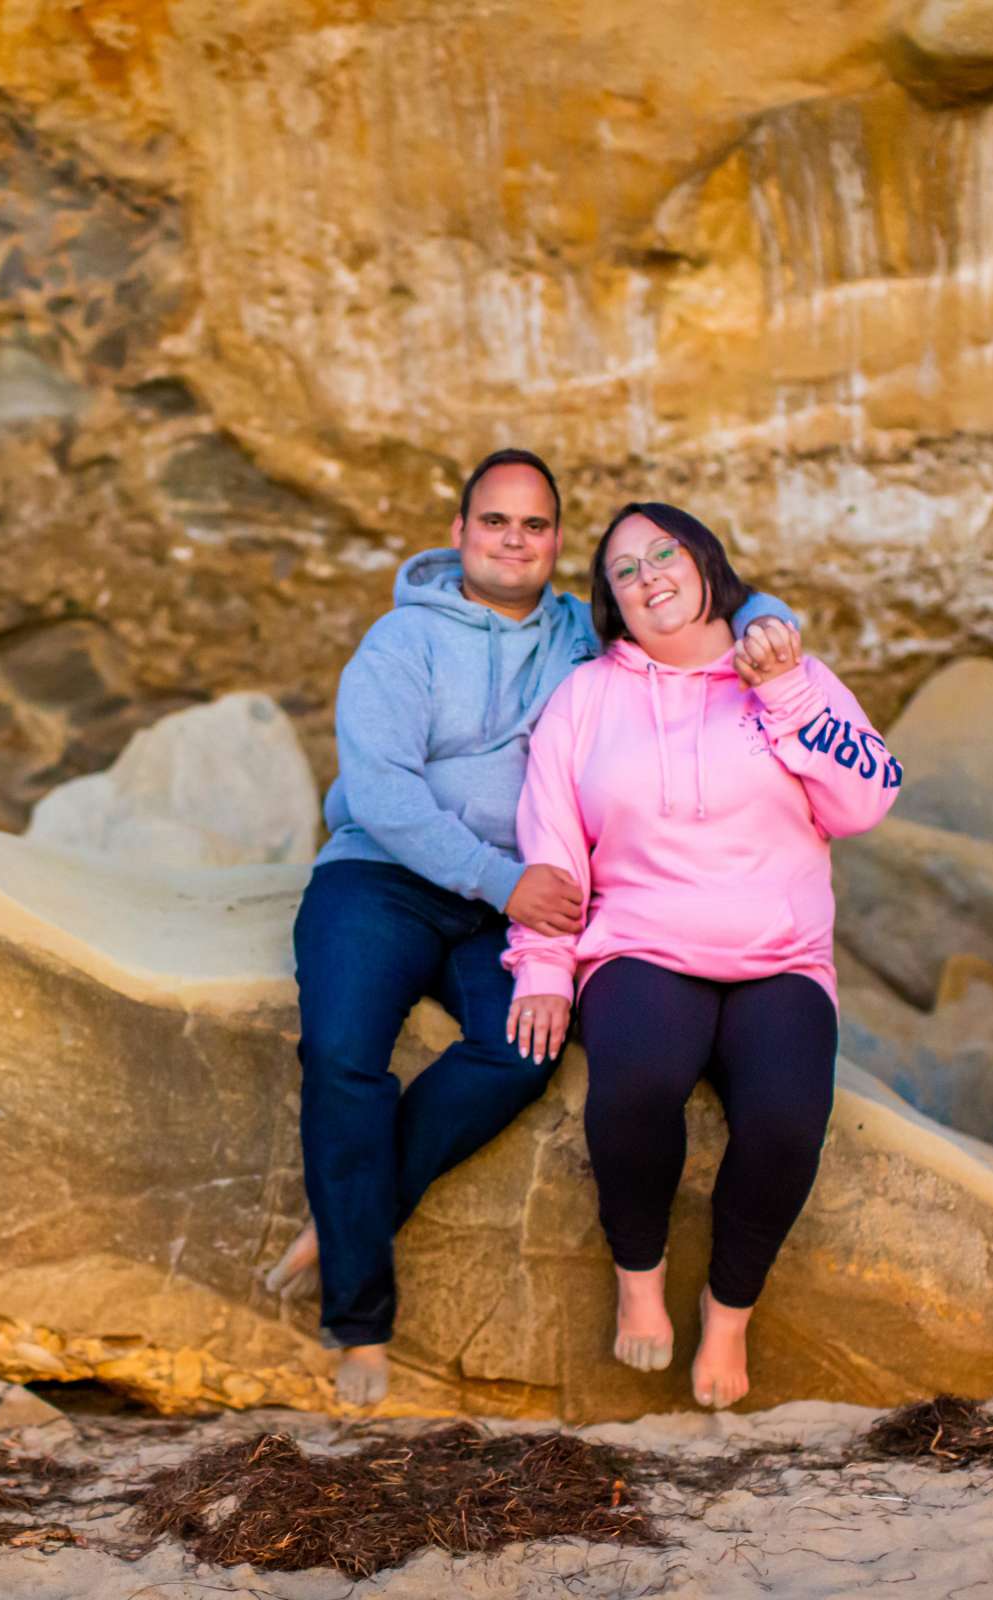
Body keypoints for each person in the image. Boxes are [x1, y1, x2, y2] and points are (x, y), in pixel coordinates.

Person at [271, 453, 802, 1406]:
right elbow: (384, 796)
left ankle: (358, 1207)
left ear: (557, 542)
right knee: (344, 1054)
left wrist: (772, 626)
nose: (515, 540)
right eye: (494, 523)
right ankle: (361, 1324)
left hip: (511, 905)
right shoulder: (399, 644)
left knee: (519, 1051)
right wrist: (502, 880)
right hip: (384, 877)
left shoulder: (577, 633)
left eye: (535, 526)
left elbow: (714, 592)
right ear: (461, 531)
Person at [502, 501, 900, 1409]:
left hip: (783, 955)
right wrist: (543, 968)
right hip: (644, 945)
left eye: (664, 555)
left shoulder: (789, 671)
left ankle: (728, 1315)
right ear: (613, 604)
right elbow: (553, 846)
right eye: (625, 573)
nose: (650, 579)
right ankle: (639, 1279)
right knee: (637, 1085)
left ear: (706, 562)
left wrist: (789, 692)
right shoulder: (586, 697)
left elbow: (867, 800)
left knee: (788, 1123)